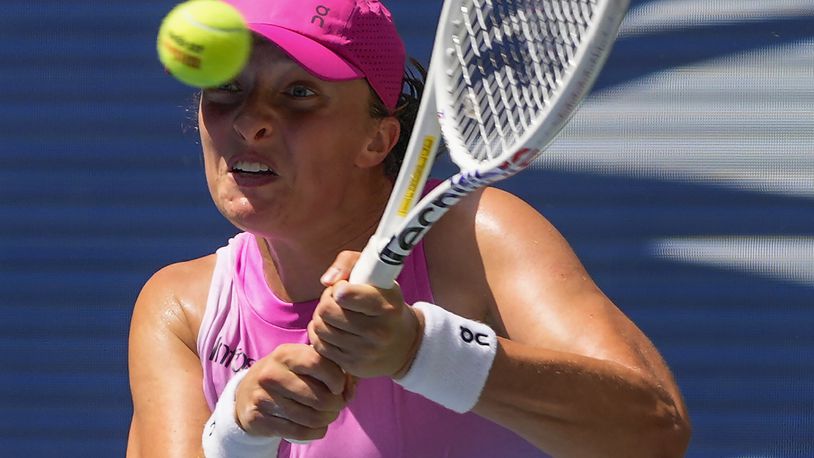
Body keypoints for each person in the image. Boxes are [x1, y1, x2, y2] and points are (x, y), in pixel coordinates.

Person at [127, 0, 691, 456]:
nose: (249, 122)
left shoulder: (475, 237)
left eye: (299, 93)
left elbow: (654, 430)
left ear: (379, 139)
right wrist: (240, 431)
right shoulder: (182, 308)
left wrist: (421, 351)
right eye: (226, 89)